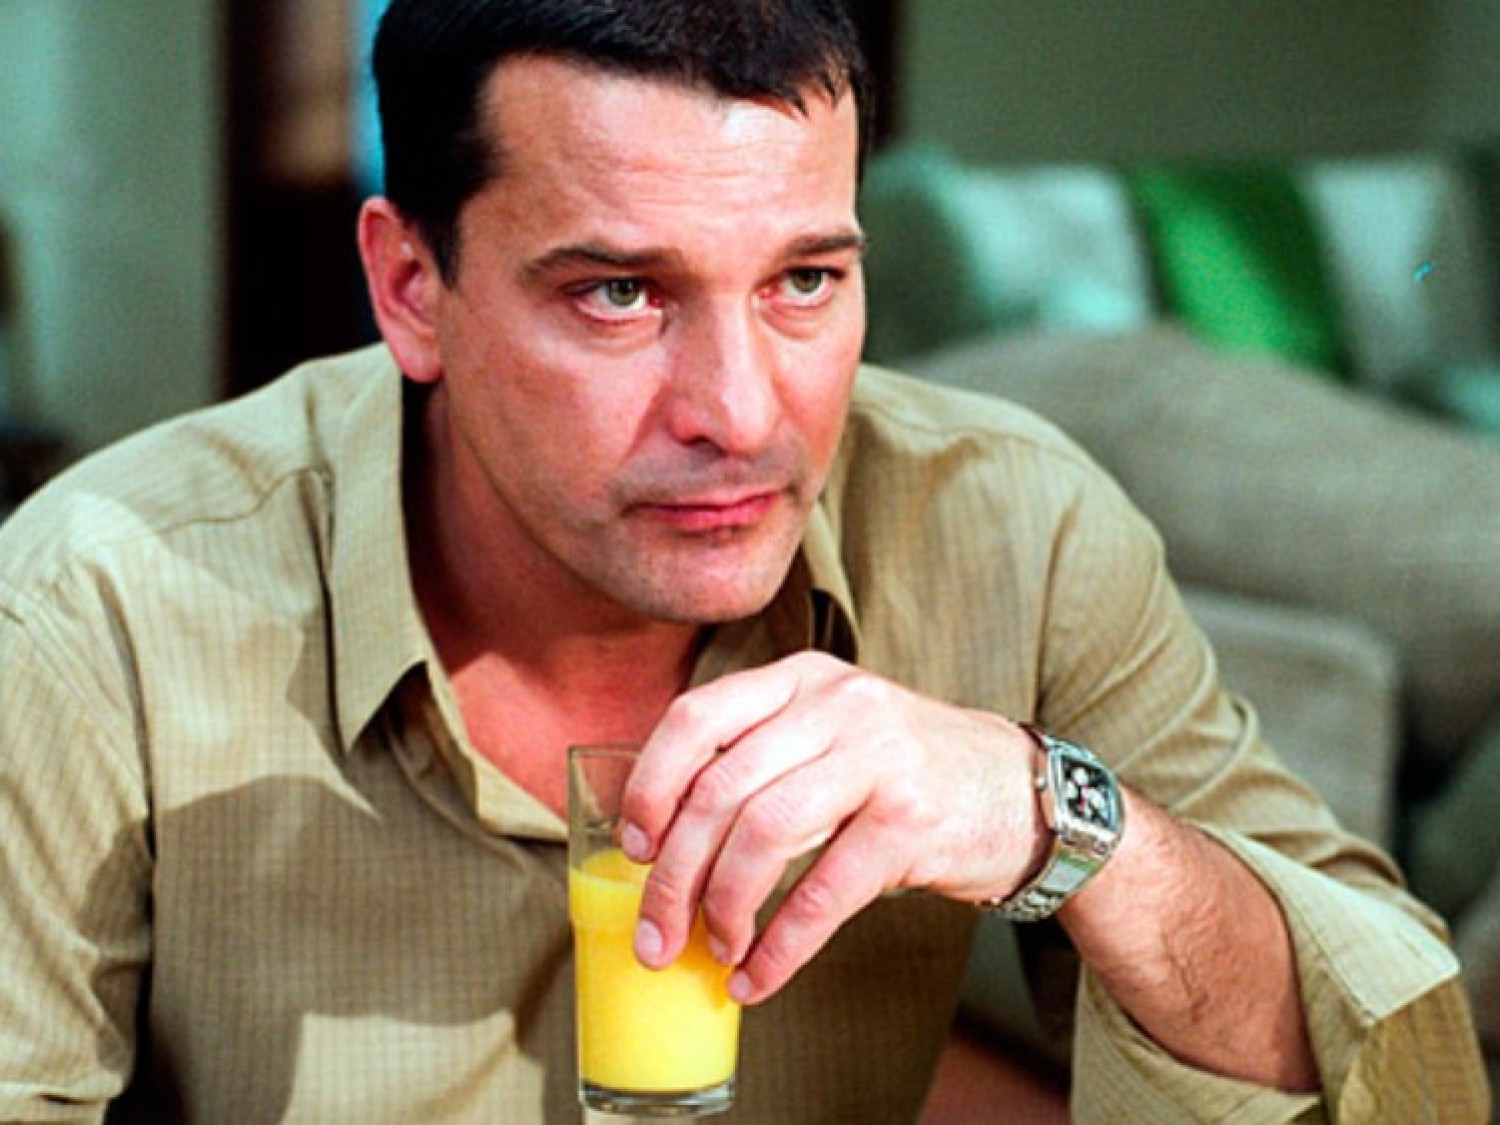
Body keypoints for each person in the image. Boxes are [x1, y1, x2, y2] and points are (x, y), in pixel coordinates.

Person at [0, 1, 1488, 1121]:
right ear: (410, 288)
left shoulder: (1015, 526)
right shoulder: (95, 603)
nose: (743, 413)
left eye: (805, 280)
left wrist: (1055, 817)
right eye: (620, 293)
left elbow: (1409, 1078)